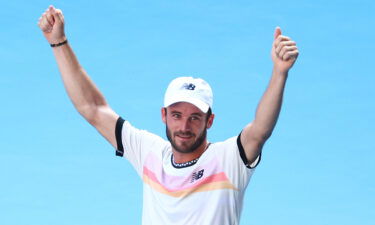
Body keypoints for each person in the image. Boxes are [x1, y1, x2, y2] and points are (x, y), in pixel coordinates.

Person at [38, 5, 299, 225]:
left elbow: (261, 130)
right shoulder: (149, 153)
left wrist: (279, 73)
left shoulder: (229, 159)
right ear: (164, 115)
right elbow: (92, 109)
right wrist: (58, 43)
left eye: (195, 117)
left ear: (210, 120)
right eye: (177, 115)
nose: (184, 125)